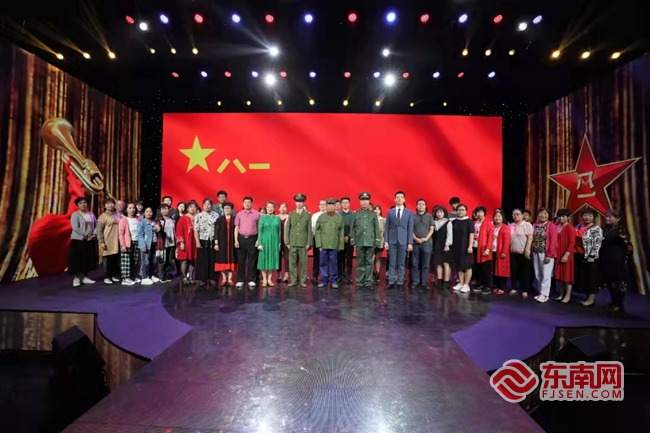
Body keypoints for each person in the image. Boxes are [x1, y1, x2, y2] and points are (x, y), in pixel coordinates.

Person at [600, 209, 633, 315]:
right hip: (606, 260)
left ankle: (619, 305)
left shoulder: (621, 230)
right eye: (606, 216)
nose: (607, 218)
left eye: (610, 217)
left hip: (617, 260)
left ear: (617, 219)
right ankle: (613, 302)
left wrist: (626, 257)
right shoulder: (605, 229)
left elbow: (628, 245)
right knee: (610, 282)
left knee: (618, 284)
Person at [350, 192, 382, 289]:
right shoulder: (355, 214)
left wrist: (377, 241)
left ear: (369, 202)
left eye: (366, 200)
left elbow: (376, 229)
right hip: (359, 241)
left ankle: (368, 282)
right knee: (360, 263)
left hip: (370, 242)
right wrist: (353, 241)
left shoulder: (373, 215)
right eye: (362, 200)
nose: (364, 202)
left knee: (369, 263)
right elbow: (353, 229)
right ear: (360, 202)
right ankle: (359, 282)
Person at [384, 191, 414, 289]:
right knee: (392, 263)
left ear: (404, 199)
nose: (399, 199)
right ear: (394, 199)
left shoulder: (409, 212)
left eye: (401, 197)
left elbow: (410, 229)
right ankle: (391, 281)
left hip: (403, 241)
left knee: (401, 263)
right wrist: (386, 241)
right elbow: (386, 228)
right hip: (392, 241)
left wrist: (410, 242)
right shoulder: (390, 212)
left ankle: (400, 282)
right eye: (397, 197)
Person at [574, 208, 603, 307]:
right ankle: (586, 296)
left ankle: (591, 299)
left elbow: (597, 244)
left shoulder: (596, 229)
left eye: (590, 216)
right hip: (577, 255)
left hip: (590, 257)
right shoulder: (578, 226)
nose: (587, 217)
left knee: (591, 278)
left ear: (594, 218)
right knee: (583, 277)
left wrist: (591, 256)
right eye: (585, 215)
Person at [315, 198, 345, 289]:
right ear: (326, 206)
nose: (331, 206)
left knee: (333, 264)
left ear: (335, 206)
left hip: (334, 245)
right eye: (329, 204)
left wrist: (340, 245)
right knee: (323, 263)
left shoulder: (339, 218)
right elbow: (317, 231)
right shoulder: (321, 217)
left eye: (332, 204)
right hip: (323, 245)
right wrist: (319, 244)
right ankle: (324, 280)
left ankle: (333, 281)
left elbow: (341, 233)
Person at [531, 207, 559, 303]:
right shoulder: (535, 225)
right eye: (541, 213)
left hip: (546, 253)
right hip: (535, 252)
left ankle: (545, 294)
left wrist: (549, 254)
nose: (543, 215)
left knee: (546, 274)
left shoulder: (552, 226)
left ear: (548, 215)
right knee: (537, 273)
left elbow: (554, 241)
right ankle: (540, 292)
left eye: (545, 213)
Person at [69, 197, 97, 287]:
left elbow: (96, 226)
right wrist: (86, 234)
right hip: (78, 240)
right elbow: (75, 228)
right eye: (80, 203)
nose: (83, 205)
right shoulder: (75, 214)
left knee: (87, 259)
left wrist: (94, 234)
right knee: (78, 260)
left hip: (89, 240)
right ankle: (77, 278)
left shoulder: (91, 214)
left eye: (84, 203)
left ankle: (84, 277)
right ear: (77, 205)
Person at [234, 196, 261, 288]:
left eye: (249, 202)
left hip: (253, 239)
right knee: (241, 260)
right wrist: (236, 240)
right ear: (243, 204)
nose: (247, 204)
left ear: (252, 204)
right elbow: (236, 227)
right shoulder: (239, 214)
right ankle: (240, 280)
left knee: (252, 260)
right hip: (241, 239)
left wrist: (258, 240)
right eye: (245, 202)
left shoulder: (257, 214)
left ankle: (251, 279)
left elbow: (260, 229)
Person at [286, 194, 312, 287]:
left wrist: (309, 242)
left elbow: (309, 230)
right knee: (292, 263)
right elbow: (288, 229)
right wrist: (287, 242)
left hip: (303, 243)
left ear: (303, 203)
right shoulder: (291, 214)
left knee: (303, 263)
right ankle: (293, 280)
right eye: (297, 202)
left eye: (301, 202)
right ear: (295, 203)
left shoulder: (307, 215)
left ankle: (302, 280)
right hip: (293, 242)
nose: (299, 203)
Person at [193, 198, 219, 287]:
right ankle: (203, 279)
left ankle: (213, 278)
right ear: (203, 205)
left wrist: (217, 241)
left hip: (213, 240)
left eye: (209, 204)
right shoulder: (198, 216)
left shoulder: (216, 215)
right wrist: (197, 242)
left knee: (213, 259)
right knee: (202, 260)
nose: (207, 206)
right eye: (205, 204)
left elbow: (218, 229)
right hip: (202, 240)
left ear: (212, 205)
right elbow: (196, 230)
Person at [509, 208, 533, 298]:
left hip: (523, 252)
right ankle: (514, 288)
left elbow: (530, 238)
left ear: (522, 215)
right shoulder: (511, 225)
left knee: (525, 272)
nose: (516, 216)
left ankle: (525, 290)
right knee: (514, 271)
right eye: (514, 214)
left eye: (518, 214)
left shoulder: (527, 224)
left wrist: (527, 249)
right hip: (512, 251)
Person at [95, 198, 121, 284]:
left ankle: (113, 275)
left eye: (111, 203)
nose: (110, 205)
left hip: (116, 241)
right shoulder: (102, 216)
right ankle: (107, 277)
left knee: (114, 259)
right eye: (107, 204)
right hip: (107, 241)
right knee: (107, 260)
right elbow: (99, 230)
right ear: (105, 206)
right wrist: (101, 242)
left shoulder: (117, 215)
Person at [450, 204, 474, 293]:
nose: (460, 211)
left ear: (466, 211)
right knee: (458, 265)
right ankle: (461, 282)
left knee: (467, 265)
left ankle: (466, 284)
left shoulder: (469, 221)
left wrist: (470, 246)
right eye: (459, 210)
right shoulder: (454, 222)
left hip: (465, 246)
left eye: (462, 210)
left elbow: (471, 234)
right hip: (456, 246)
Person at [554, 208, 576, 303]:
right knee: (559, 276)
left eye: (563, 216)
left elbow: (572, 242)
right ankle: (561, 294)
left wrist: (566, 255)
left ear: (568, 217)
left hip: (566, 254)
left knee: (567, 276)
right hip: (557, 253)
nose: (561, 218)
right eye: (559, 216)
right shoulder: (556, 226)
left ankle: (567, 296)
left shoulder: (570, 228)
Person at [411, 199, 435, 289]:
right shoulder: (412, 216)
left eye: (423, 204)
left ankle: (424, 282)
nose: (421, 205)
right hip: (415, 243)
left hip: (427, 243)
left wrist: (426, 239)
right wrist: (416, 238)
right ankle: (415, 281)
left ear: (425, 206)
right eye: (419, 204)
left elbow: (431, 229)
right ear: (416, 206)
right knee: (414, 263)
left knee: (426, 264)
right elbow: (410, 229)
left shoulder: (429, 216)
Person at [257, 201, 281, 287]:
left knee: (272, 259)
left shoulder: (277, 218)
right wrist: (260, 243)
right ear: (266, 208)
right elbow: (260, 231)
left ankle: (270, 279)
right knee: (263, 259)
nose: (270, 209)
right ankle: (264, 279)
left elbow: (279, 231)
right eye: (268, 207)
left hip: (274, 241)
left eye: (272, 207)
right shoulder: (262, 218)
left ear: (274, 208)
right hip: (264, 241)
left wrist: (279, 243)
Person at [215, 202, 238, 286]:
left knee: (232, 259)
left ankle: (230, 278)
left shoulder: (235, 219)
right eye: (225, 208)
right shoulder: (219, 219)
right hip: (222, 243)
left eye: (228, 208)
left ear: (231, 209)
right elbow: (216, 231)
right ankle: (224, 278)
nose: (227, 210)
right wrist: (216, 243)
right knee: (222, 259)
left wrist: (236, 241)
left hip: (232, 243)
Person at [176, 200, 198, 284]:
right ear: (187, 208)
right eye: (190, 207)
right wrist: (181, 242)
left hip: (195, 242)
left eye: (194, 207)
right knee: (185, 260)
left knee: (193, 260)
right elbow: (179, 231)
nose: (192, 209)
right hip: (186, 242)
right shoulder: (183, 218)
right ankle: (184, 277)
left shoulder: (198, 218)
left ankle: (191, 277)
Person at [118, 203, 141, 285]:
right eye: (130, 208)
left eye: (133, 208)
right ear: (126, 209)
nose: (132, 210)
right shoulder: (124, 220)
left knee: (135, 260)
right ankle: (125, 278)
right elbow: (121, 234)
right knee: (126, 261)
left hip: (137, 241)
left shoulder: (138, 219)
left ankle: (132, 276)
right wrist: (123, 245)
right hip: (128, 242)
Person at [472, 206, 494, 294]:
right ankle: (480, 284)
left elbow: (490, 237)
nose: (479, 214)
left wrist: (488, 249)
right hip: (475, 247)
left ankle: (487, 286)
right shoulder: (474, 223)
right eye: (478, 212)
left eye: (481, 212)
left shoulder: (488, 224)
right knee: (478, 268)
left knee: (486, 268)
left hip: (484, 248)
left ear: (484, 214)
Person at [431, 205, 453, 289]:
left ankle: (446, 281)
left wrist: (447, 244)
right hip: (436, 245)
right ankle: (439, 280)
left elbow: (450, 234)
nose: (439, 214)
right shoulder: (434, 222)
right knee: (438, 263)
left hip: (445, 245)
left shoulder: (448, 222)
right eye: (437, 212)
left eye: (441, 212)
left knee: (446, 263)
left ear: (444, 213)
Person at [137, 207, 159, 285]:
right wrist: (142, 245)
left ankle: (151, 275)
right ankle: (144, 277)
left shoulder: (154, 222)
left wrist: (158, 229)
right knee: (145, 261)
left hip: (153, 244)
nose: (149, 213)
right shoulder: (142, 222)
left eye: (150, 211)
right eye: (147, 211)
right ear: (144, 213)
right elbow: (140, 235)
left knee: (152, 261)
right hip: (145, 244)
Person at [491, 209, 511, 295]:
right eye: (496, 216)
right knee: (494, 269)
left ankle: (503, 287)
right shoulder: (493, 227)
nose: (497, 218)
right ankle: (496, 286)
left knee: (501, 270)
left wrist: (504, 252)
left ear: (503, 218)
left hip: (501, 251)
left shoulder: (505, 227)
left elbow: (506, 241)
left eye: (499, 216)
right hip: (493, 250)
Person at [156, 203, 176, 283]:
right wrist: (158, 228)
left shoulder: (172, 220)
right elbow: (157, 229)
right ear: (160, 211)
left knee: (169, 260)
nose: (165, 211)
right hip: (163, 243)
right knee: (162, 260)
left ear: (169, 209)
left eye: (166, 209)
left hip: (172, 243)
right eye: (163, 209)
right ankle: (161, 276)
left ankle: (166, 274)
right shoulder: (159, 220)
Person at [338, 197, 355, 282]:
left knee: (349, 258)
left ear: (349, 204)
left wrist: (349, 236)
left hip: (350, 240)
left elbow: (354, 227)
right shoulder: (338, 214)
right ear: (341, 204)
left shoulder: (353, 214)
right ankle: (340, 275)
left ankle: (349, 275)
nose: (345, 204)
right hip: (340, 240)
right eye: (343, 203)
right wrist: (342, 236)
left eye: (347, 202)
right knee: (340, 258)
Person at [311, 199, 326, 283]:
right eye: (321, 204)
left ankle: (325, 276)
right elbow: (313, 229)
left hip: (327, 240)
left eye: (324, 204)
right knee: (316, 258)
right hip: (317, 240)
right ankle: (315, 275)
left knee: (327, 259)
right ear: (319, 206)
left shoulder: (330, 215)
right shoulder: (315, 216)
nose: (322, 206)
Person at [277, 203, 290, 283]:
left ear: (286, 208)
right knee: (277, 258)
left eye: (284, 207)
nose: (282, 208)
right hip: (277, 241)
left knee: (287, 258)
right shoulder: (275, 217)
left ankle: (286, 274)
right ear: (278, 209)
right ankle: (278, 274)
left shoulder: (289, 217)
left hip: (286, 241)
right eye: (281, 207)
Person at [373, 205, 386, 281]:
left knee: (378, 258)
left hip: (380, 241)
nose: (377, 211)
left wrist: (384, 242)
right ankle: (371, 273)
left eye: (378, 209)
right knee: (371, 258)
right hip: (372, 242)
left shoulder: (383, 220)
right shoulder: (371, 219)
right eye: (375, 209)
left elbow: (385, 232)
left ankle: (377, 273)